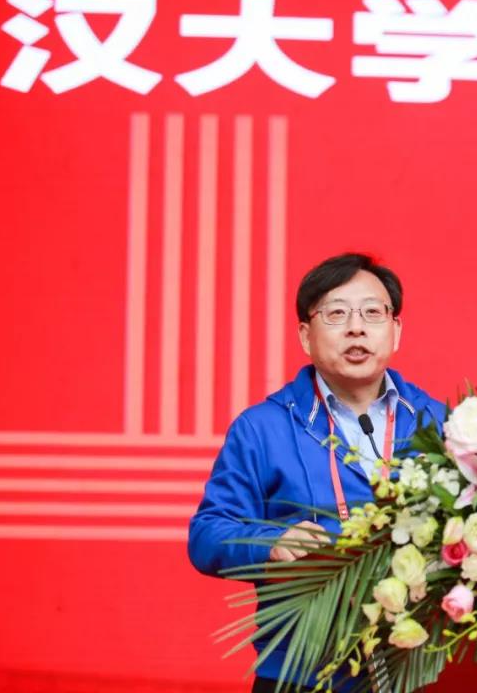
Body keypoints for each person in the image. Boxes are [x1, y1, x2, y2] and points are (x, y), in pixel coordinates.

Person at [188, 253, 447, 693]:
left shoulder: (441, 423)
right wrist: (272, 544)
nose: (356, 328)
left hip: (421, 669)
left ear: (396, 330)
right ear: (306, 336)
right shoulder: (262, 428)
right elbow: (207, 534)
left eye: (372, 312)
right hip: (303, 673)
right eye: (337, 314)